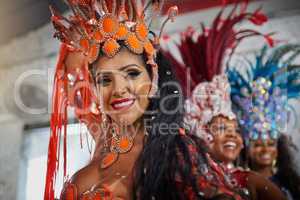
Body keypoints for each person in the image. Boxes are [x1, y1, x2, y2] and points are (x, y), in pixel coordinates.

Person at [44, 1, 246, 200]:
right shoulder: (96, 147)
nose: (119, 89)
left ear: (153, 80)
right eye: (105, 80)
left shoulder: (179, 151)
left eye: (132, 73)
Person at [163, 2, 287, 200]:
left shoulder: (250, 181)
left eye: (236, 130)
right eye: (221, 129)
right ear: (200, 133)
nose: (233, 136)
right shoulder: (180, 183)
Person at [227, 44, 300, 200]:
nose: (265, 150)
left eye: (271, 143)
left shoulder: (292, 183)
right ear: (245, 147)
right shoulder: (236, 184)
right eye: (257, 144)